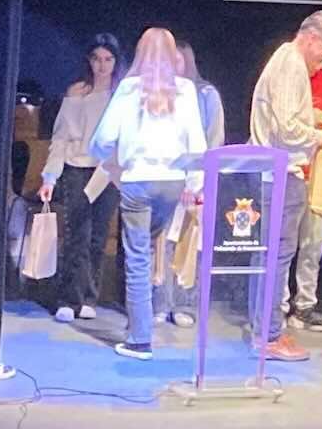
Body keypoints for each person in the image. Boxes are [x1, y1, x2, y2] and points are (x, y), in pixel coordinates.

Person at [89, 28, 207, 360]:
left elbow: (103, 139)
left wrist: (105, 160)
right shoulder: (186, 90)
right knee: (152, 246)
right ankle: (140, 321)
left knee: (138, 257)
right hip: (172, 183)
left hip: (138, 181)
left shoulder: (128, 89)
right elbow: (197, 145)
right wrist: (194, 184)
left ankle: (140, 338)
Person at [248, 10, 322, 361]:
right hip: (280, 173)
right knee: (276, 257)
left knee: (269, 256)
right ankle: (268, 336)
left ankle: (265, 329)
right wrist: (321, 137)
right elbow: (288, 128)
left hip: (272, 171)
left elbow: (289, 113)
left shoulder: (286, 59)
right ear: (312, 38)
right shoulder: (291, 65)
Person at [39, 33, 126, 323]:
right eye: (97, 59)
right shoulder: (77, 92)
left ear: (115, 61)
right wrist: (50, 177)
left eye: (108, 59)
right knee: (78, 233)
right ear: (89, 60)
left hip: (108, 170)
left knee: (98, 236)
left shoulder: (122, 95)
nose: (102, 65)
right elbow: (61, 137)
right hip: (77, 166)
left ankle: (88, 297)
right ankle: (68, 298)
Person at [152, 38, 225, 328]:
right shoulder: (158, 94)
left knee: (189, 243)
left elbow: (213, 140)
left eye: (178, 60)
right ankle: (160, 303)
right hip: (165, 180)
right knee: (162, 244)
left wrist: (197, 182)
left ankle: (184, 304)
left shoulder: (206, 94)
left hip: (196, 182)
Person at [281, 66, 322, 333]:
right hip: (288, 171)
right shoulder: (286, 77)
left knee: (313, 244)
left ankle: (305, 305)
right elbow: (288, 124)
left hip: (317, 174)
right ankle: (278, 307)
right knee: (283, 245)